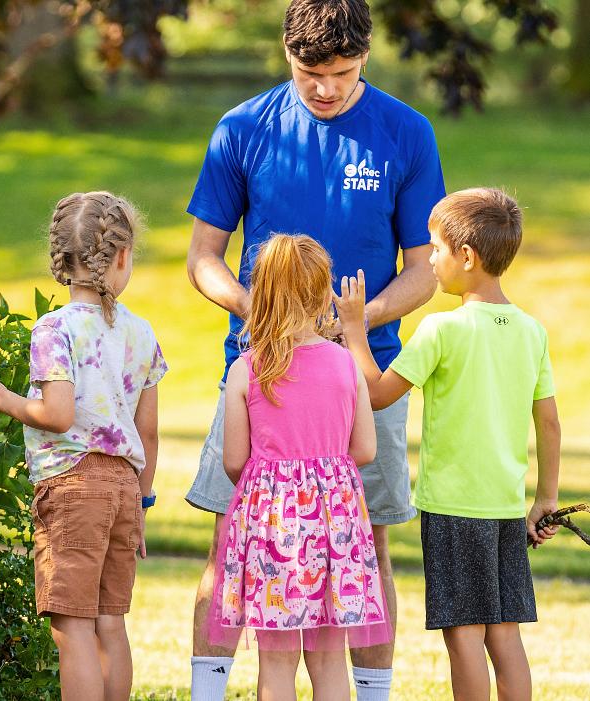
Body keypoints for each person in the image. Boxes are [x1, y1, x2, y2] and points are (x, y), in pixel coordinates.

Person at [184, 2, 445, 697]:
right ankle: (206, 689)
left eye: (342, 73)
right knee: (228, 543)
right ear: (286, 54)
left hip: (363, 372)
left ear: (365, 57)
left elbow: (424, 270)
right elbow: (203, 258)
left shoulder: (405, 132)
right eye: (309, 74)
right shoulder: (243, 128)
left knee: (368, 545)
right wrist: (268, 315)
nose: (325, 88)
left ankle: (373, 692)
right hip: (256, 372)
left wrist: (355, 321)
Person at [334, 188, 561, 701]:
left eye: (435, 248)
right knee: (504, 632)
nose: (430, 260)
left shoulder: (440, 329)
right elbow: (548, 423)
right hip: (506, 506)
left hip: (454, 509)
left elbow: (376, 394)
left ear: (467, 256)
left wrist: (354, 330)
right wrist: (545, 498)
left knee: (463, 635)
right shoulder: (532, 332)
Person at [0, 192, 166, 701]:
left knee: (72, 627)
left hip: (73, 487)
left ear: (60, 258)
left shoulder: (54, 328)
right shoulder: (142, 333)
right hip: (125, 489)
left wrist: (4, 399)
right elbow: (148, 432)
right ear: (121, 256)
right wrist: (142, 503)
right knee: (110, 621)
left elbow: (57, 414)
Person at [208, 233, 387, 700]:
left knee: (277, 660)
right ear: (324, 293)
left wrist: (272, 482)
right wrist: (325, 471)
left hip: (273, 527)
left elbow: (234, 460)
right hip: (337, 526)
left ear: (262, 293)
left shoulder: (248, 368)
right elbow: (366, 449)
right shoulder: (346, 364)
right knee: (329, 659)